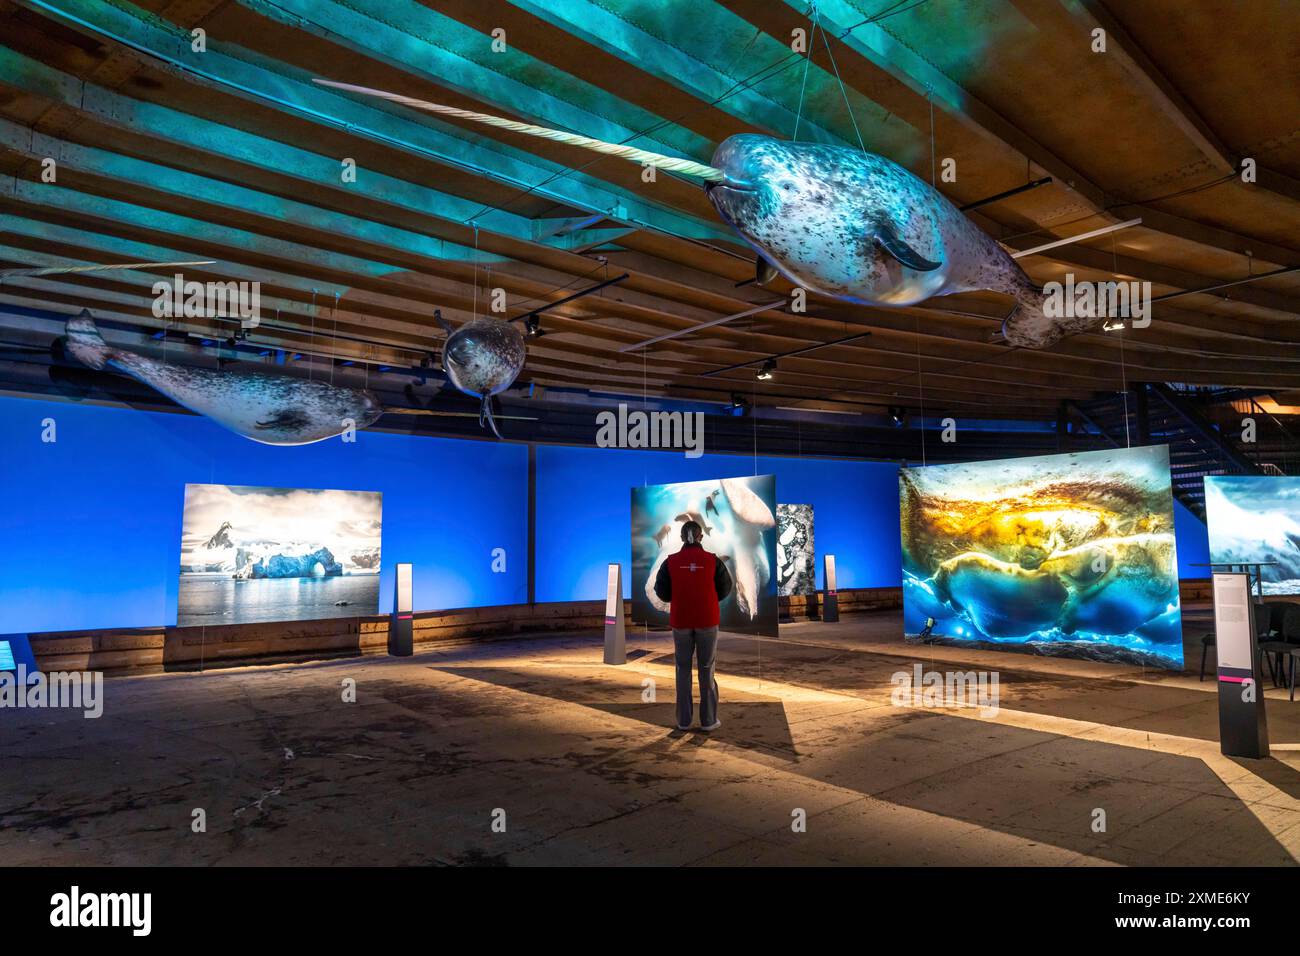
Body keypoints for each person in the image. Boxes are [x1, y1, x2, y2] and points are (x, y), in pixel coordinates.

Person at [653, 520, 733, 731]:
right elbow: (726, 588)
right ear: (701, 537)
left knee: (683, 669)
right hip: (707, 620)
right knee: (707, 668)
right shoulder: (713, 561)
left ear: (681, 538)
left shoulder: (670, 562)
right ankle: (708, 720)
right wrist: (708, 599)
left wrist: (680, 596)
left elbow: (661, 591)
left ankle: (684, 721)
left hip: (681, 621)